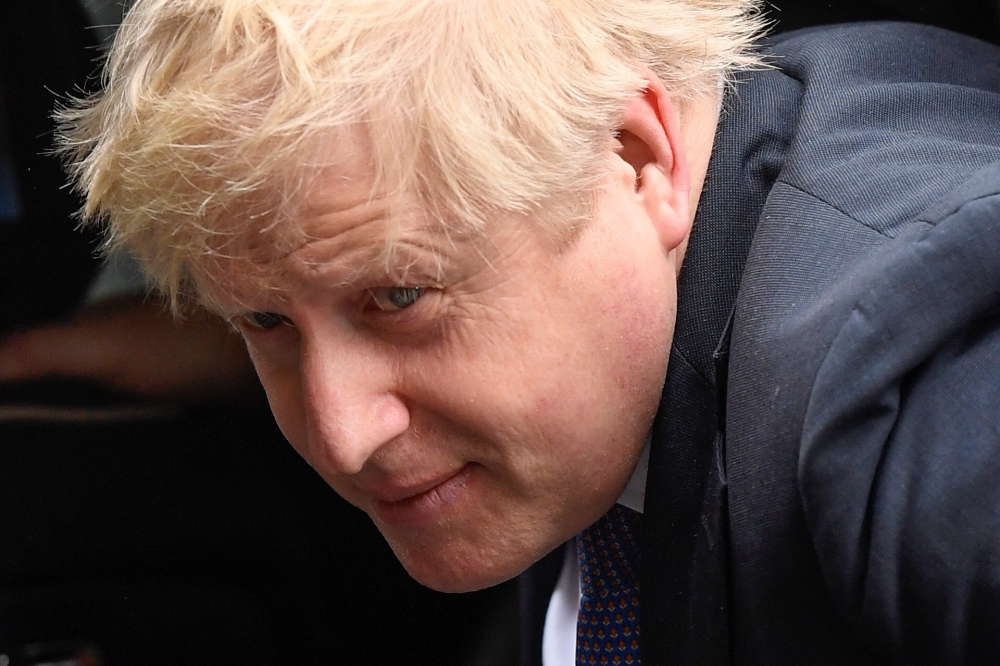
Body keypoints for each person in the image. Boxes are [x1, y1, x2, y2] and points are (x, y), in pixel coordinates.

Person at [56, 0, 1000, 664]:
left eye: (400, 299)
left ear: (635, 155)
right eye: (265, 321)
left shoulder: (919, 378)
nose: (343, 434)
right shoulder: (610, 318)